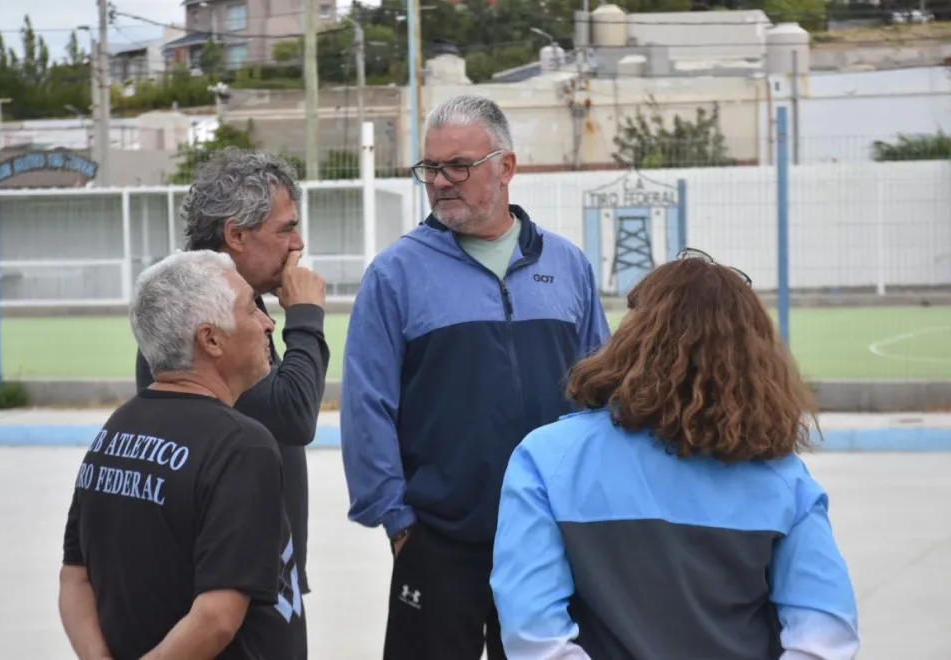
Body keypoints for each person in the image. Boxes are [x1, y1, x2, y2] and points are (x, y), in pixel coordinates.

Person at [339, 94, 611, 660]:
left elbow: (601, 394)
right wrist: (397, 520)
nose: (439, 181)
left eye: (457, 166)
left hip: (552, 536)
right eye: (429, 168)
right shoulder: (395, 274)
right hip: (439, 539)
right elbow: (367, 404)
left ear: (505, 167)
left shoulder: (568, 266)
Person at [490, 248, 860, 660]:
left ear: (633, 340)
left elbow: (533, 636)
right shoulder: (783, 479)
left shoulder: (546, 459)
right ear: (753, 356)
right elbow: (825, 637)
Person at [59, 249, 306, 659]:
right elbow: (217, 617)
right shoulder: (242, 446)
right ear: (210, 339)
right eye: (251, 311)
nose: (268, 323)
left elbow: (73, 579)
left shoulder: (115, 431)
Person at [134, 147, 328, 655]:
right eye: (285, 229)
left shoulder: (235, 303)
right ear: (236, 234)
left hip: (256, 572)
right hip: (226, 587)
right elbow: (294, 415)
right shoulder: (204, 315)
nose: (298, 243)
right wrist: (305, 317)